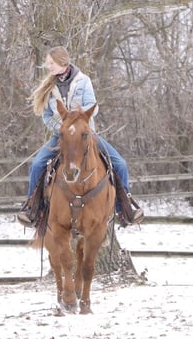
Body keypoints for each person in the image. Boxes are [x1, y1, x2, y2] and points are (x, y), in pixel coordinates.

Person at [17, 45, 144, 228]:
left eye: (51, 63)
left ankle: (124, 210)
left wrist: (76, 125)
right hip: (60, 136)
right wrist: (62, 128)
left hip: (86, 135)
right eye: (48, 63)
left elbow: (93, 105)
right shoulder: (48, 87)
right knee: (37, 165)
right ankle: (32, 209)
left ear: (62, 62)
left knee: (120, 164)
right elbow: (46, 116)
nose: (48, 66)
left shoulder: (83, 81)